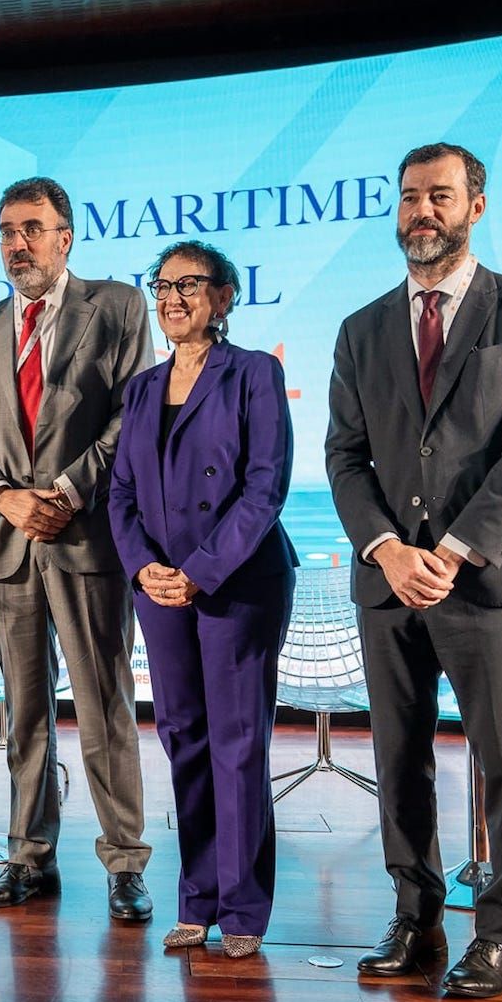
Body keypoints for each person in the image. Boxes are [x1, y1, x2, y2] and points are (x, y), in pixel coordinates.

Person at [325, 142, 502, 998]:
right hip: (388, 584)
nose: (421, 211)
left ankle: (500, 935)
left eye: (439, 195)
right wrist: (387, 549)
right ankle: (417, 921)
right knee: (401, 760)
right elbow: (345, 458)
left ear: (478, 205)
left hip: (488, 582)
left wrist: (455, 550)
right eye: (408, 197)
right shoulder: (361, 329)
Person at [0, 177, 155, 921]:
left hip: (87, 538)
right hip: (9, 544)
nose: (19, 243)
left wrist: (67, 491)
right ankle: (28, 857)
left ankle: (125, 861)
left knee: (105, 707)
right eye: (8, 230)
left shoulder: (119, 307)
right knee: (24, 714)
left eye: (34, 228)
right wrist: (4, 497)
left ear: (66, 237)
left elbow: (131, 415)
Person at [109, 241, 297, 959]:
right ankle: (196, 900)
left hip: (236, 584)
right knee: (182, 738)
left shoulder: (254, 373)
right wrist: (143, 569)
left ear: (224, 297)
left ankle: (243, 907)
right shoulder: (141, 387)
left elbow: (265, 487)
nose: (174, 297)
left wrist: (200, 570)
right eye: (163, 285)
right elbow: (121, 492)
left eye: (191, 284)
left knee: (237, 743)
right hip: (159, 590)